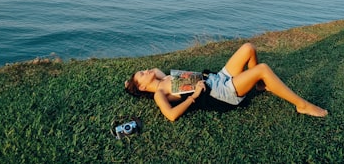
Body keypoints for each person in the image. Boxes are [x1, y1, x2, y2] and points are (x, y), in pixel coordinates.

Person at [124, 42, 328, 121]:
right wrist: (193, 97)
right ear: (142, 86)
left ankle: (258, 85)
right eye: (142, 73)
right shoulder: (159, 93)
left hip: (217, 77)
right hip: (221, 92)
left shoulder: (162, 77)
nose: (146, 70)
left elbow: (156, 71)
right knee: (263, 68)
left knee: (248, 48)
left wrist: (130, 83)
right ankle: (302, 105)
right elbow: (170, 115)